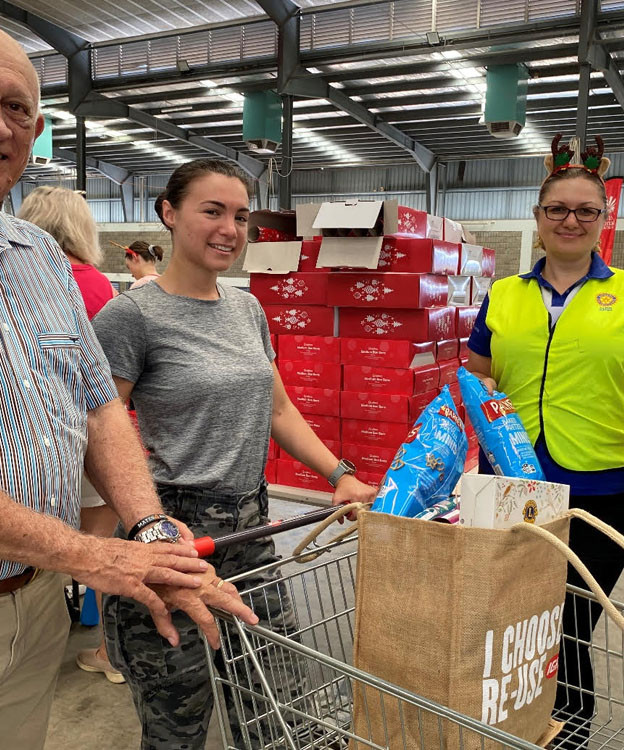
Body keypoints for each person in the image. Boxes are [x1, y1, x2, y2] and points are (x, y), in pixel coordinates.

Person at [0, 20, 256, 750]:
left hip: (35, 608)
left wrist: (148, 529)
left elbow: (98, 406)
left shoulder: (40, 258)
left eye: (17, 108)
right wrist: (97, 555)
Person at [93, 157, 377, 749]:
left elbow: (278, 411)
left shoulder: (247, 308)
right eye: (212, 211)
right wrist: (139, 522)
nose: (230, 229)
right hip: (171, 533)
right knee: (179, 719)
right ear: (169, 214)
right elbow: (102, 424)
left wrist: (339, 474)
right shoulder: (131, 316)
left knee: (276, 710)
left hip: (250, 531)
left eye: (241, 216)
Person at [466, 134, 624, 749]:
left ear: (602, 219)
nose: (570, 220)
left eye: (585, 211)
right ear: (537, 219)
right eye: (556, 210)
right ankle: (505, 726)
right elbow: (476, 379)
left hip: (605, 487)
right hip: (509, 486)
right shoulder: (503, 295)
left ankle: (567, 737)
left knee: (571, 624)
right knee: (509, 619)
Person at [16, 185, 125, 684]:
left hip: (27, 439)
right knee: (101, 544)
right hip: (93, 430)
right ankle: (109, 650)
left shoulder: (13, 276)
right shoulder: (97, 284)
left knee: (32, 540)